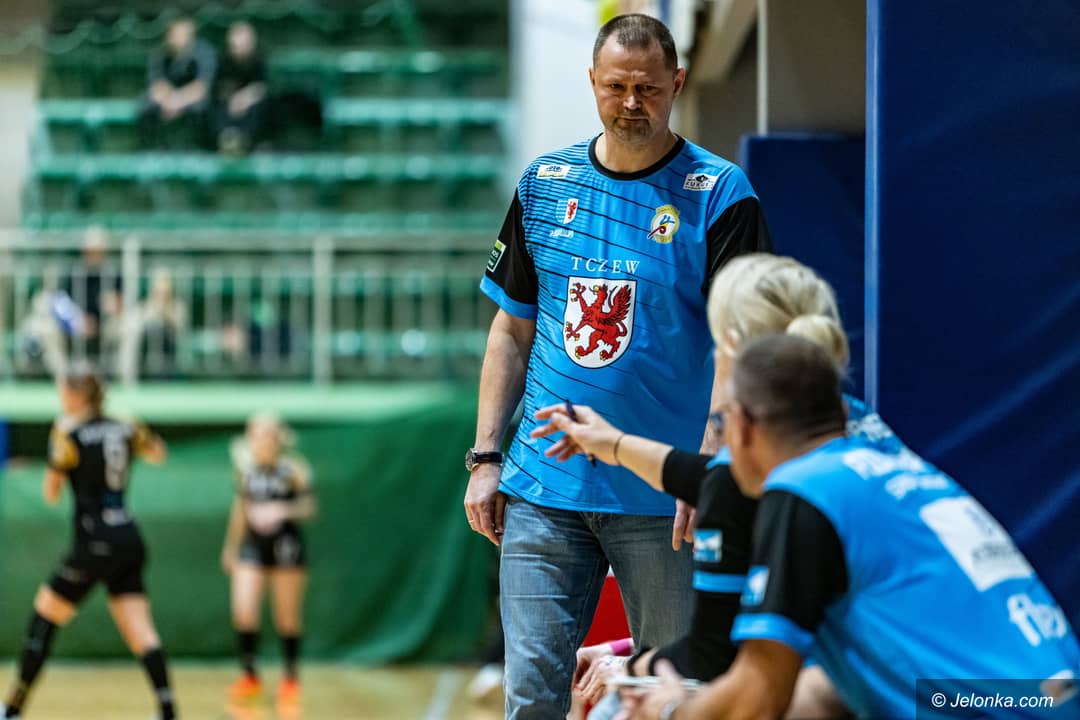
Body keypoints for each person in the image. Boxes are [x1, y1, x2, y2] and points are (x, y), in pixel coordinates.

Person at [464, 13, 771, 718]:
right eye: (616, 86)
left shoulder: (721, 194)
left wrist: (707, 467)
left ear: (678, 84)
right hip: (544, 489)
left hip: (663, 500)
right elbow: (511, 330)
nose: (632, 103)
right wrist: (485, 457)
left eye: (648, 88)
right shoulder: (544, 183)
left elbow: (743, 345)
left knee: (672, 696)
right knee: (531, 692)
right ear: (593, 82)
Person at [618, 334, 1080, 720]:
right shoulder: (888, 471)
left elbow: (758, 697)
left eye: (720, 423)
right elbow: (823, 691)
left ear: (740, 427)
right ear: (841, 413)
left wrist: (670, 709)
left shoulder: (802, 491)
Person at [535, 254, 891, 718]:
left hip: (935, 700)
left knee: (625, 709)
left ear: (729, 353)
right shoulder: (853, 428)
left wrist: (636, 673)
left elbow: (725, 665)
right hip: (972, 687)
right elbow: (707, 480)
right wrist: (613, 444)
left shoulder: (788, 490)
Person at [0, 364, 177, 720]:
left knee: (45, 616)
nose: (61, 397)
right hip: (127, 535)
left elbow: (51, 493)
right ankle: (167, 709)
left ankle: (13, 709)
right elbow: (159, 453)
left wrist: (59, 453)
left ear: (78, 395)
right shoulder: (126, 424)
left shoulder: (69, 432)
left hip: (94, 539)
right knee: (141, 630)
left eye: (64, 391)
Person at [220, 413, 316, 712]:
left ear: (279, 438)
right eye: (257, 433)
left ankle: (290, 679)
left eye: (269, 433)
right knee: (244, 611)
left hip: (286, 548)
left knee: (287, 616)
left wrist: (281, 509)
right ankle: (249, 677)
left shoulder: (294, 468)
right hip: (253, 547)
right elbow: (241, 507)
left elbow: (309, 506)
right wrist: (231, 547)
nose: (263, 439)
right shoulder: (246, 470)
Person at [140, 16, 217, 149]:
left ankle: (200, 148)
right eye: (174, 34)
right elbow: (156, 84)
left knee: (202, 107)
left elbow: (201, 87)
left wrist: (179, 100)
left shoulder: (204, 53)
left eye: (182, 34)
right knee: (146, 104)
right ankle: (152, 148)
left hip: (190, 98)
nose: (177, 38)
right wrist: (168, 101)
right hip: (166, 98)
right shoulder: (160, 53)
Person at [211, 21, 268, 154]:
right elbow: (219, 87)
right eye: (234, 46)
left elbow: (263, 87)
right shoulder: (223, 61)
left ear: (251, 44)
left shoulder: (259, 61)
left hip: (252, 103)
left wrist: (244, 99)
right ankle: (226, 140)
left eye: (242, 45)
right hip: (228, 102)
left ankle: (249, 143)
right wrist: (233, 100)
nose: (238, 50)